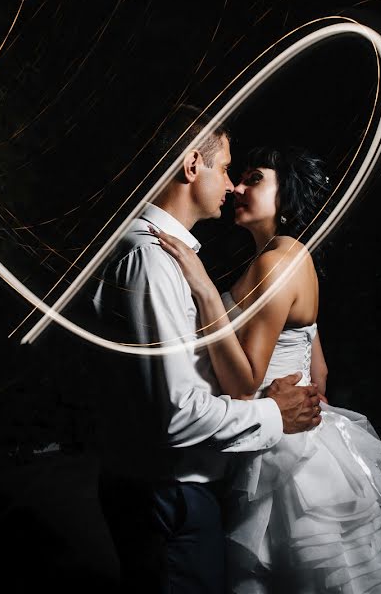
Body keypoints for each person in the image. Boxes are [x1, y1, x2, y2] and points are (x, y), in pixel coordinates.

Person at [89, 107, 323, 594]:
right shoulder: (152, 259)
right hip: (168, 488)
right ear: (192, 166)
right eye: (226, 169)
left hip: (201, 480)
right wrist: (274, 412)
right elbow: (177, 415)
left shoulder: (193, 258)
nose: (232, 184)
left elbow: (310, 367)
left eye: (249, 178)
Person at [155, 146, 381, 592]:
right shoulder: (294, 256)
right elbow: (320, 366)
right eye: (241, 177)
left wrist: (206, 294)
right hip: (306, 439)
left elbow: (245, 382)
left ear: (285, 196)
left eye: (254, 179)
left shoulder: (274, 262)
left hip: (282, 457)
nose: (237, 187)